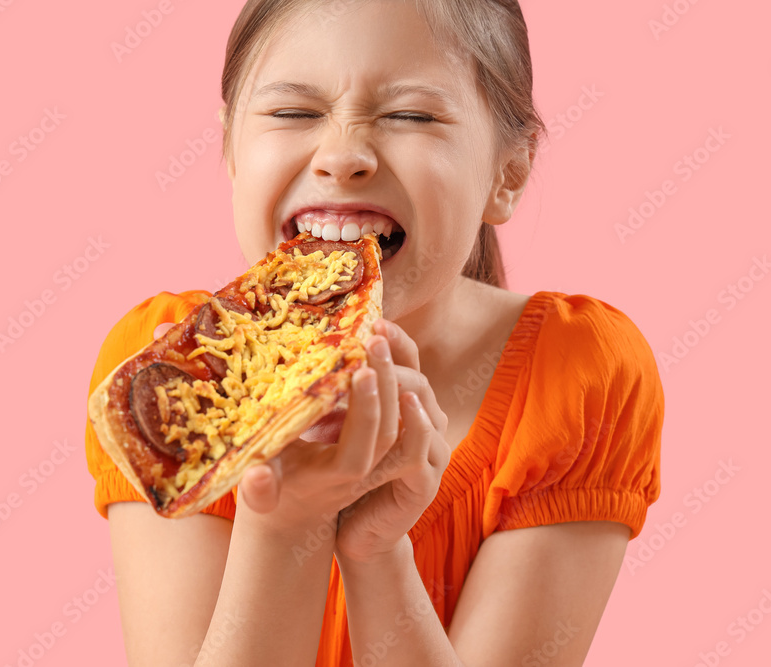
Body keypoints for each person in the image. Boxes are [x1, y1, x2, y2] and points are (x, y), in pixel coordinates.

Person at [84, 1, 665, 665]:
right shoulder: (171, 385)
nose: (342, 155)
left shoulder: (579, 375)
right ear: (230, 150)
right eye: (294, 112)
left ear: (509, 173)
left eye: (410, 115)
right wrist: (285, 520)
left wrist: (376, 548)